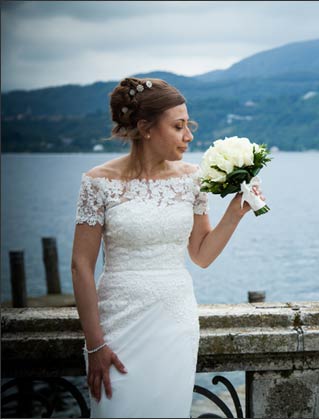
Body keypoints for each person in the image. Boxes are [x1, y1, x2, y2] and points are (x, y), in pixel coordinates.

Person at [71, 77, 263, 418]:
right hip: (118, 324)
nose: (188, 136)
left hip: (175, 323)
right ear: (145, 128)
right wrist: (95, 344)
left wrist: (235, 213)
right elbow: (80, 266)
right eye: (178, 127)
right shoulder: (98, 182)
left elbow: (201, 255)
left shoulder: (193, 179)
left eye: (188, 125)